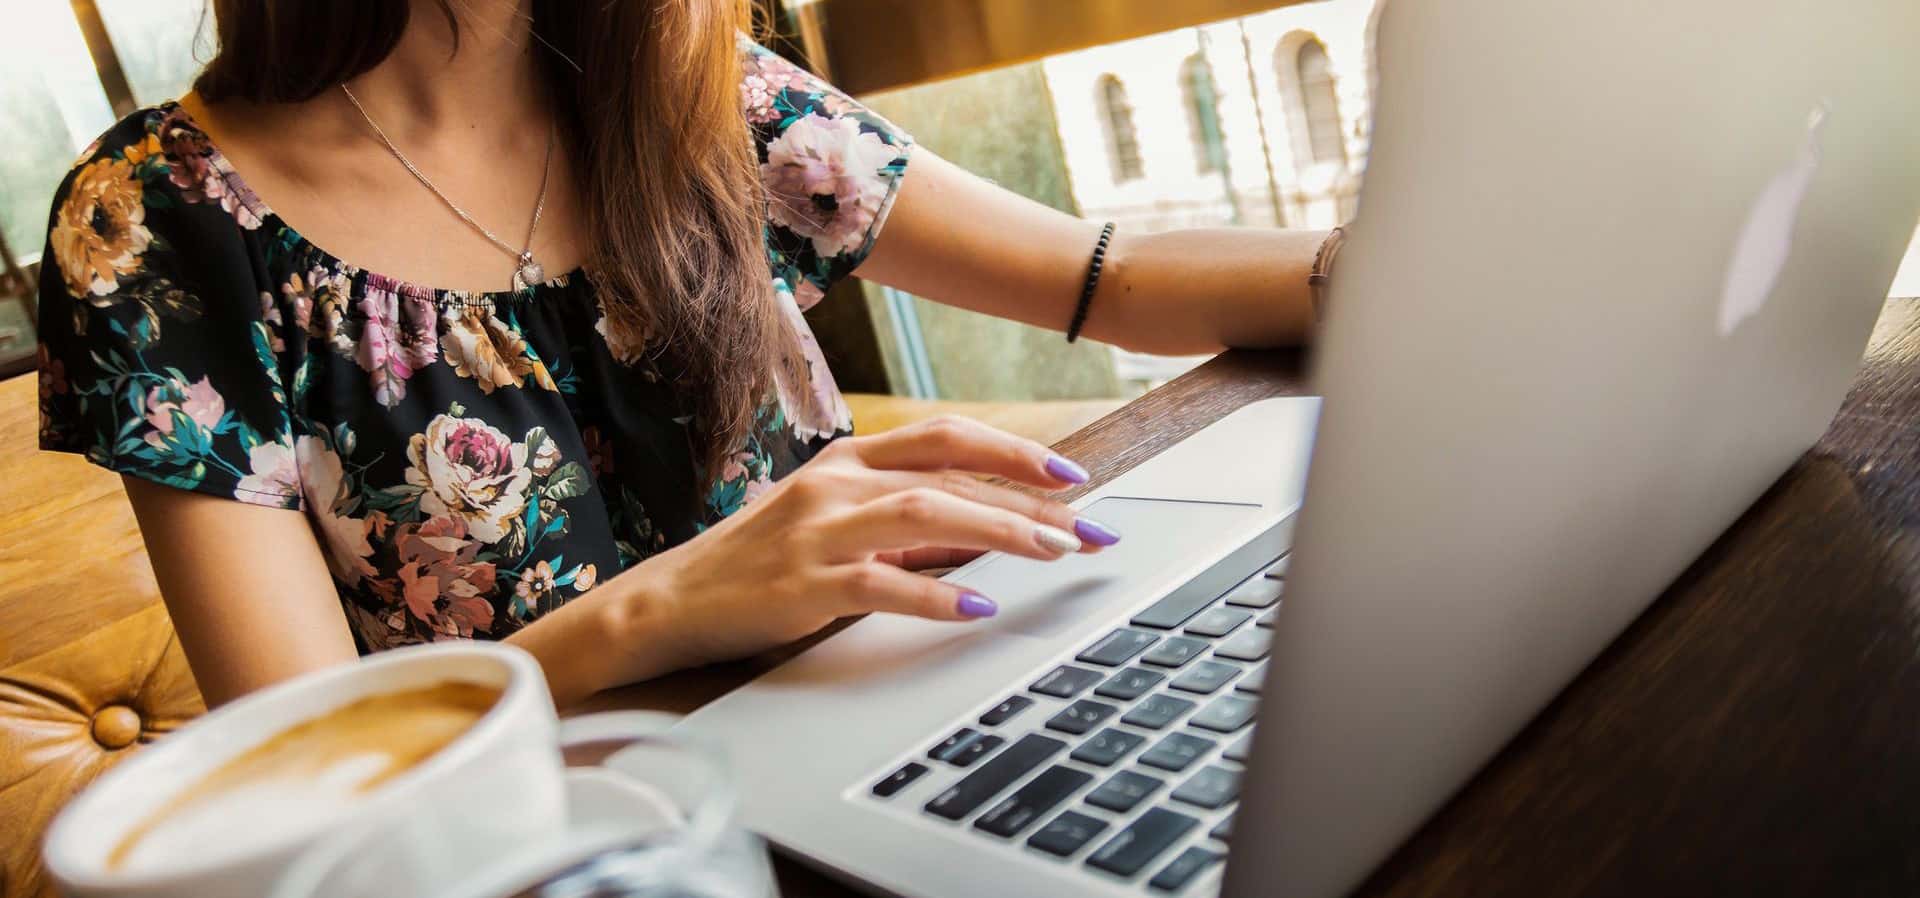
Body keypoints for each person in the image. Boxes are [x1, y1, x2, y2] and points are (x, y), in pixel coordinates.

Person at [36, 0, 1327, 709]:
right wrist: (665, 605)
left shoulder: (690, 78)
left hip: (894, 719)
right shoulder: (159, 224)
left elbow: (1105, 277)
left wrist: (1395, 260)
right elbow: (308, 757)